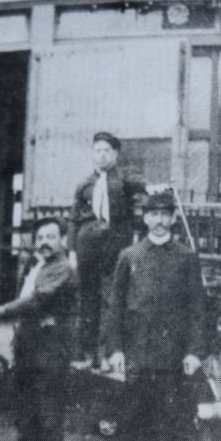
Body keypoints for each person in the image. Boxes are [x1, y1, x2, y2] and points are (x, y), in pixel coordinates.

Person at [103, 190, 205, 441]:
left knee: (166, 418)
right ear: (145, 218)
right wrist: (115, 349)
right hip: (137, 352)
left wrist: (193, 351)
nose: (159, 220)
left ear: (173, 219)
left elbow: (197, 309)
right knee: (134, 416)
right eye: (153, 214)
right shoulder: (129, 256)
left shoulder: (186, 258)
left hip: (171, 355)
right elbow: (115, 307)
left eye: (164, 215)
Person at [0, 218, 79, 441]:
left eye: (51, 237)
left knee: (48, 415)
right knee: (26, 415)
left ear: (62, 240)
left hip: (50, 350)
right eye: (40, 237)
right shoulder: (36, 266)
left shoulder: (62, 269)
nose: (44, 242)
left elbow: (36, 300)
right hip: (28, 349)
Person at [69, 131, 146, 368]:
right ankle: (87, 354)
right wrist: (72, 251)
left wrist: (152, 188)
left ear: (115, 154)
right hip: (86, 247)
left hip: (115, 247)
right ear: (93, 154)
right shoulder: (84, 184)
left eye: (106, 151)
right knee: (87, 299)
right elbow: (73, 219)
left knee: (110, 298)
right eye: (98, 151)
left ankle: (106, 354)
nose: (102, 155)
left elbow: (142, 191)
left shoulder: (125, 181)